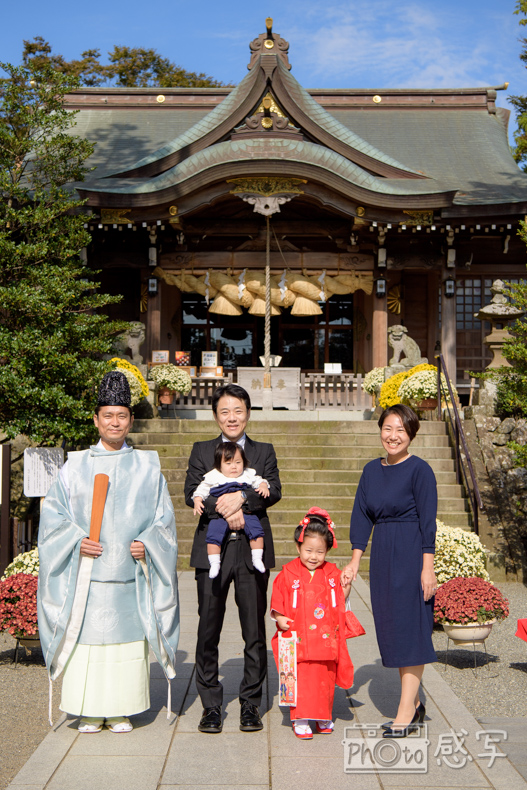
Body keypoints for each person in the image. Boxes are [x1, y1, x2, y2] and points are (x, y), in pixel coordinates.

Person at [37, 371, 179, 733]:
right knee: (89, 645)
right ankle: (87, 710)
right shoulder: (76, 464)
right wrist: (74, 538)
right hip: (88, 573)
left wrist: (146, 541)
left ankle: (120, 709)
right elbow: (54, 514)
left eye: (122, 415)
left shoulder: (148, 466)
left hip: (130, 574)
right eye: (108, 416)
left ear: (131, 420)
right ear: (96, 419)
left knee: (125, 647)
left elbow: (164, 519)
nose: (115, 422)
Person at [184, 383, 281, 734]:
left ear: (248, 413)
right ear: (215, 416)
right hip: (212, 550)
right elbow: (191, 494)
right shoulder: (201, 450)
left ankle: (250, 704)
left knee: (253, 629)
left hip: (251, 551)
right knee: (207, 627)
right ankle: (211, 706)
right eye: (224, 411)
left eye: (237, 411)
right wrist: (227, 508)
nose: (231, 418)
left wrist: (242, 498)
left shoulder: (263, 451)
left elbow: (273, 491)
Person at [341, 404, 437, 739]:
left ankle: (406, 710)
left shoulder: (420, 471)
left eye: (401, 430)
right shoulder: (371, 470)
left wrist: (428, 568)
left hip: (411, 552)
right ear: (380, 430)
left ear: (411, 434)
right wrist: (355, 560)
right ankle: (413, 705)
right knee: (392, 630)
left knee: (410, 631)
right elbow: (361, 516)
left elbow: (428, 523)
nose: (393, 436)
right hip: (382, 554)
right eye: (388, 428)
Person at [270, 507, 355, 739]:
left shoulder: (332, 573)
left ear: (327, 550)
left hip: (324, 639)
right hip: (298, 636)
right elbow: (278, 599)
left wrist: (346, 583)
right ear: (298, 547)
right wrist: (279, 617)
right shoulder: (287, 573)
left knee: (324, 678)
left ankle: (323, 716)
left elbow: (340, 598)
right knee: (301, 677)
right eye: (308, 550)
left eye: (320, 551)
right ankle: (301, 718)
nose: (314, 557)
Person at [192, 441, 270, 578]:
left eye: (238, 462)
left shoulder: (247, 474)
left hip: (246, 511)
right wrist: (197, 500)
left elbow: (261, 481)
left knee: (256, 530)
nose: (233, 467)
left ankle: (257, 558)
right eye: (228, 463)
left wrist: (263, 486)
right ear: (219, 465)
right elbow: (201, 490)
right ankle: (214, 562)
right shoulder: (214, 476)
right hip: (220, 514)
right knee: (213, 535)